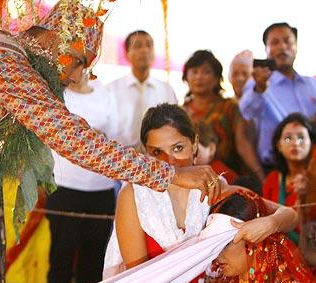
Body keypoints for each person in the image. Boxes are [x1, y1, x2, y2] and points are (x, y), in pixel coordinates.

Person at [0, 2, 221, 229]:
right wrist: (170, 174)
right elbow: (76, 140)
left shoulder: (3, 52)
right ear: (54, 36)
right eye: (78, 61)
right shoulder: (7, 63)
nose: (77, 77)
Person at [88, 103, 298, 283]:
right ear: (145, 153)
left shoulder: (212, 189)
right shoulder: (134, 195)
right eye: (157, 153)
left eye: (178, 148)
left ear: (195, 144)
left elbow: (290, 215)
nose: (171, 162)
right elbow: (140, 280)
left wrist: (268, 224)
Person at [47, 74, 118, 283]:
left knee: (94, 263)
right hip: (65, 188)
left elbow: (116, 138)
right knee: (61, 260)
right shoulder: (57, 91)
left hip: (101, 190)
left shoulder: (105, 92)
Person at [239, 22, 316, 169]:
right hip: (277, 168)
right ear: (266, 49)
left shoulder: (312, 85)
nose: (282, 47)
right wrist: (259, 88)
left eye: (287, 41)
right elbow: (247, 112)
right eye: (275, 42)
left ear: (296, 46)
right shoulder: (258, 83)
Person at [182, 50, 265, 182]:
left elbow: (243, 143)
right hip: (191, 178)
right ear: (186, 77)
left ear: (216, 79)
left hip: (227, 175)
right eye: (194, 72)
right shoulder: (181, 112)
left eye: (206, 72)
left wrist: (260, 175)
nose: (199, 77)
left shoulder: (229, 107)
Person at [107, 30, 177, 148]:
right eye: (138, 46)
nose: (145, 50)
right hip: (120, 156)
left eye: (149, 45)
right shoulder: (111, 90)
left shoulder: (166, 90)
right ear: (127, 53)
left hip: (158, 157)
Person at [262, 113, 316, 247]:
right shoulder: (273, 179)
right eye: (287, 139)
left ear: (312, 143)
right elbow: (264, 217)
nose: (295, 143)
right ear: (278, 146)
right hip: (278, 252)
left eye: (301, 138)